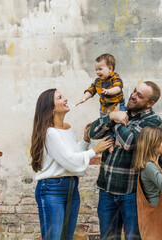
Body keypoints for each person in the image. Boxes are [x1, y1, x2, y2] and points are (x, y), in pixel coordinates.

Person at [30, 88, 113, 240]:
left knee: (66, 237)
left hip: (71, 187)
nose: (65, 99)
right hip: (52, 189)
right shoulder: (50, 133)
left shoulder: (67, 128)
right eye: (60, 97)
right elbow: (71, 161)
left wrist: (86, 140)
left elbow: (72, 156)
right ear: (51, 107)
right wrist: (95, 150)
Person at [88, 81, 162, 239]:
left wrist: (115, 121)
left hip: (132, 193)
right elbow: (92, 133)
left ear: (150, 103)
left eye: (139, 96)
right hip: (106, 190)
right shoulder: (119, 110)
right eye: (135, 91)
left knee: (133, 237)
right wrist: (111, 115)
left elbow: (130, 142)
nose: (133, 96)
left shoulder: (153, 122)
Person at [133, 126, 162, 240]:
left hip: (157, 215)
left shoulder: (151, 164)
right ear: (153, 144)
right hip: (154, 217)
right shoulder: (149, 167)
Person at [76, 53, 126, 153]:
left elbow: (118, 88)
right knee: (106, 127)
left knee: (119, 124)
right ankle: (109, 144)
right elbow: (91, 90)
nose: (97, 72)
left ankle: (118, 140)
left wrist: (109, 91)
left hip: (117, 106)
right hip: (104, 109)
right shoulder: (97, 81)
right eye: (96, 69)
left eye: (100, 69)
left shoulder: (115, 78)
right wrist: (84, 98)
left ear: (110, 68)